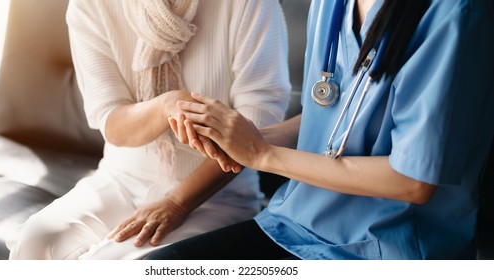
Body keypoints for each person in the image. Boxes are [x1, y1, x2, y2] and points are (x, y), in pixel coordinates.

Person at [145, 0, 494, 260]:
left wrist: (262, 154)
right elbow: (328, 119)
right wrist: (234, 137)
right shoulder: (330, 4)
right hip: (295, 224)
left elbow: (413, 181)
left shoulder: (455, 14)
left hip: (387, 250)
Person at [5, 0, 290, 260]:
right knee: (36, 241)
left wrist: (177, 204)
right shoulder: (90, 5)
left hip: (218, 197)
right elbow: (112, 122)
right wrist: (166, 105)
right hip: (121, 180)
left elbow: (259, 124)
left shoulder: (251, 4)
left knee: (110, 263)